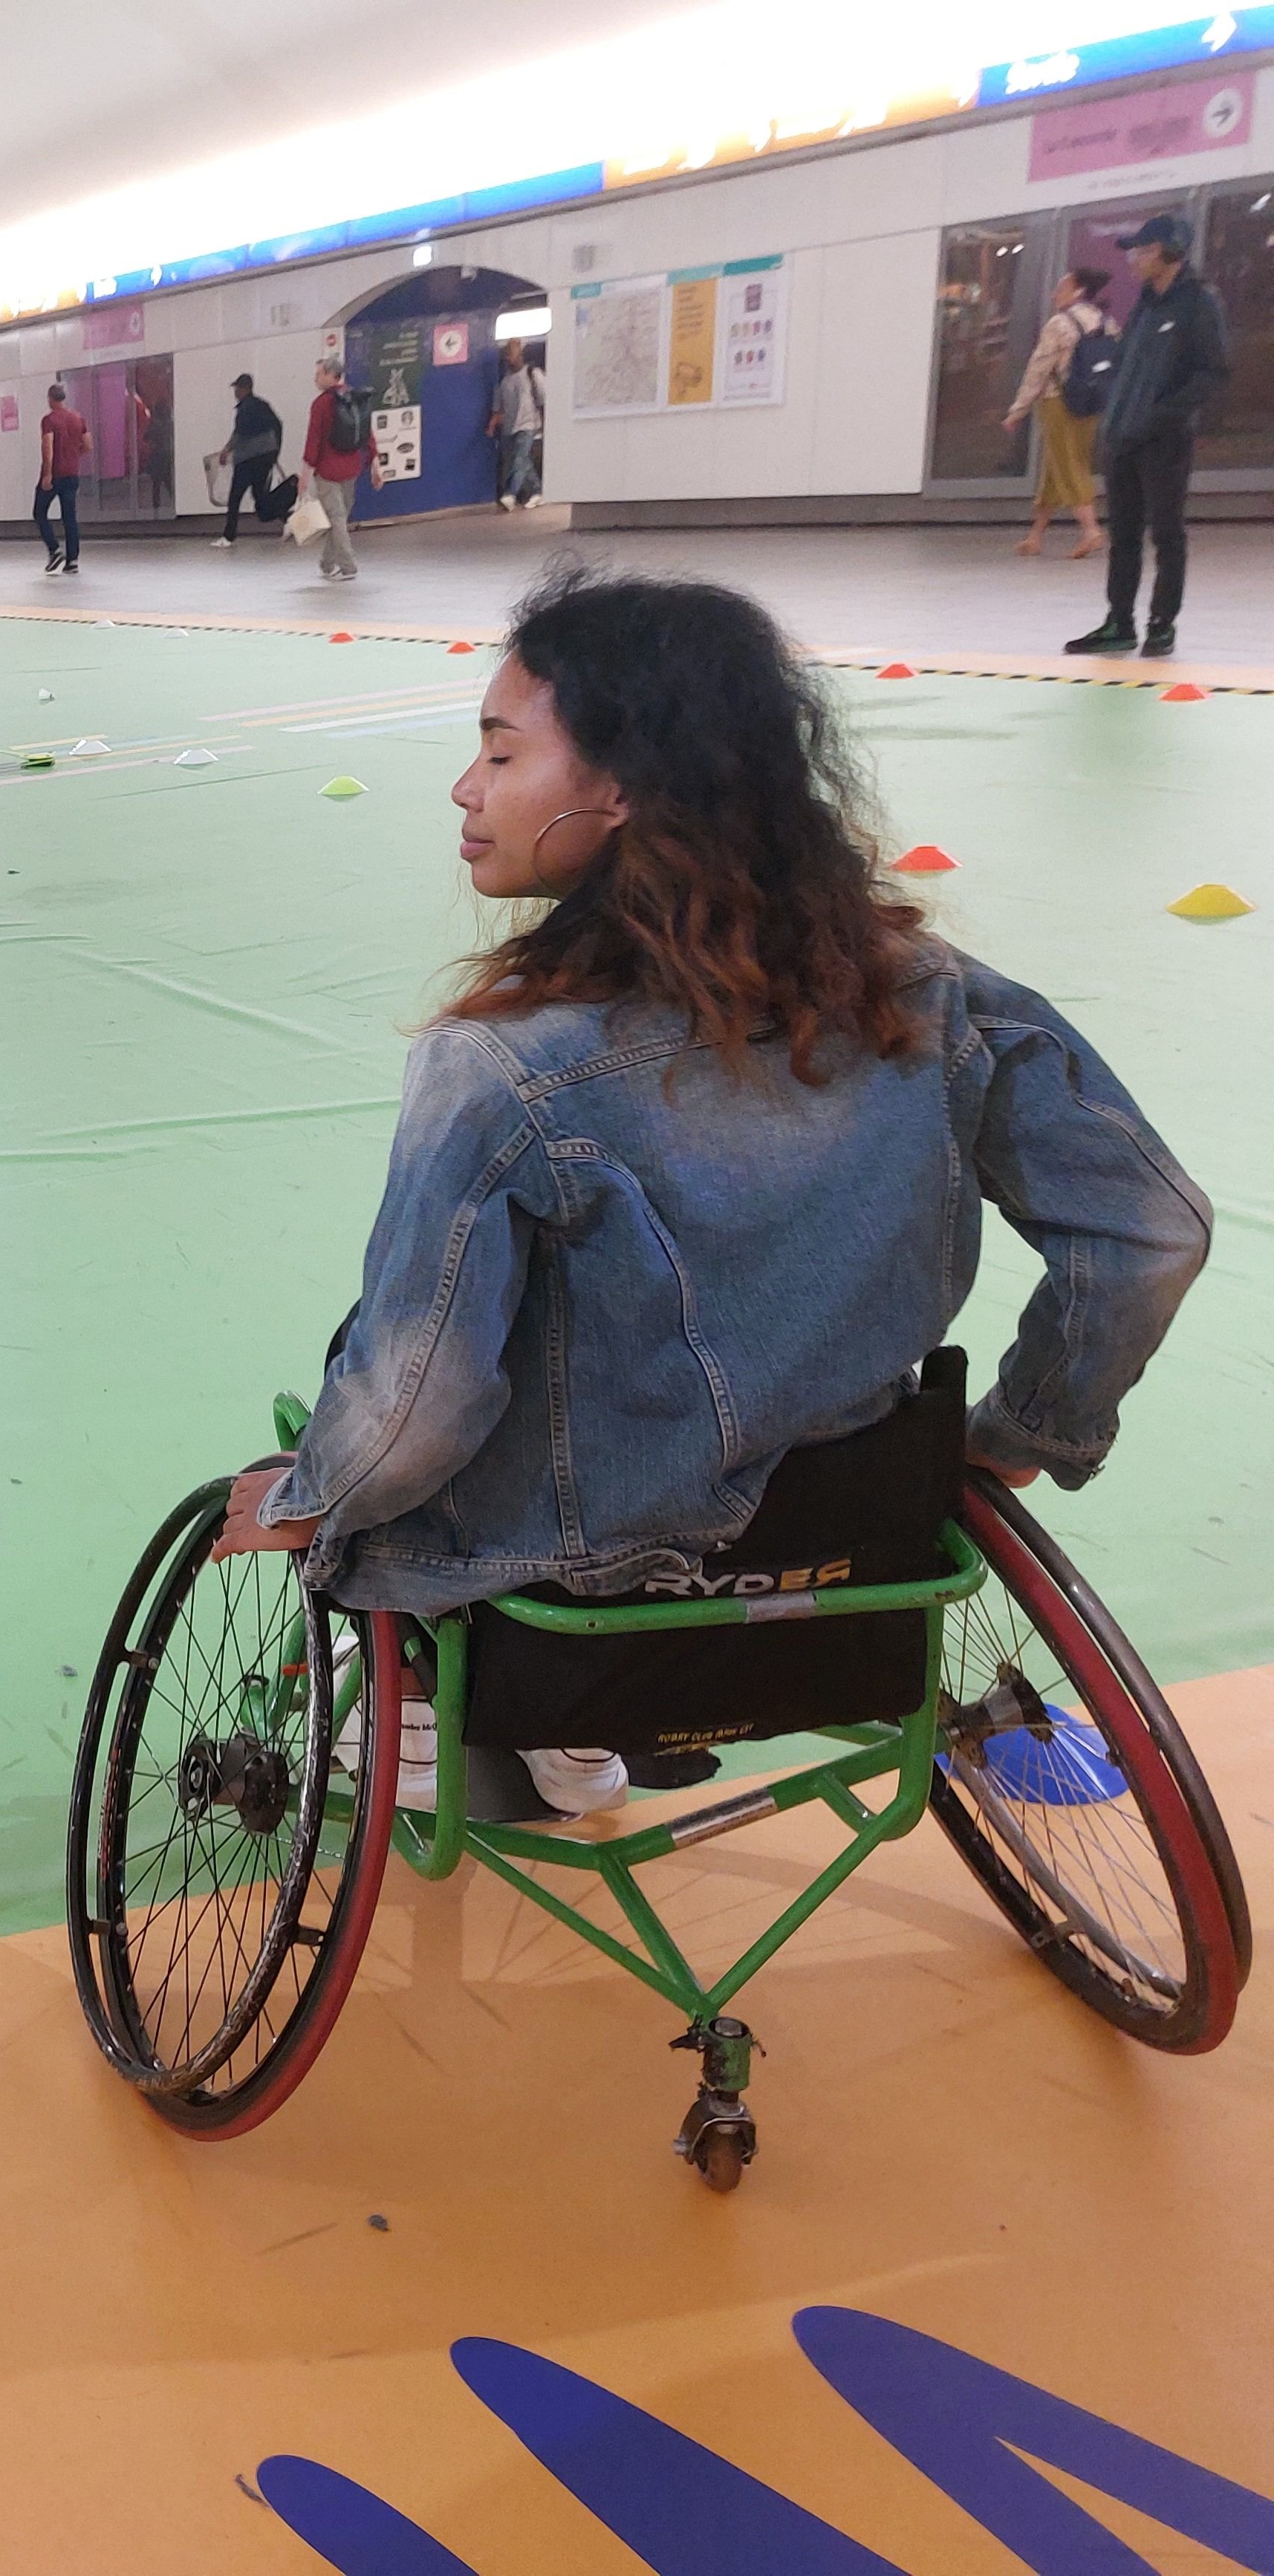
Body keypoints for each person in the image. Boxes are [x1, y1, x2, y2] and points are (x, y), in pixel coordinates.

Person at [208, 568, 1208, 1817]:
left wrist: (309, 1496)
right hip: (852, 1550)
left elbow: (416, 1414)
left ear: (617, 792)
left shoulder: (499, 1066)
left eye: (498, 751)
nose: (464, 789)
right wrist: (1019, 1437)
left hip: (571, 1574)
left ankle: (438, 1714)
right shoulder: (924, 991)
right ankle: (576, 1738)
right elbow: (1149, 1229)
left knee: (380, 1374)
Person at [1069, 213, 1230, 659]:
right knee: (1123, 535)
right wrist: (1115, 417)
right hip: (1123, 439)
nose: (1133, 259)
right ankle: (1119, 622)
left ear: (1162, 251)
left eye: (1140, 250)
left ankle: (1162, 625)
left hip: (1165, 441)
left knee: (1167, 534)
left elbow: (1212, 373)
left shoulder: (1198, 304)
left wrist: (1162, 416)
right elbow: (1127, 366)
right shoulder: (1145, 303)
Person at [1003, 270, 1113, 561]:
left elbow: (1038, 369)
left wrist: (1018, 410)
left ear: (1078, 291)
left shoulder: (1059, 324)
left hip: (1058, 402)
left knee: (1069, 464)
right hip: (1092, 402)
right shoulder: (1106, 321)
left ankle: (1091, 531)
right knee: (1057, 467)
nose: (1055, 294)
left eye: (1061, 287)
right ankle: (1035, 536)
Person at [302, 356, 377, 582]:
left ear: (330, 375)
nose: (315, 378)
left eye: (318, 374)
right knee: (340, 518)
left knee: (336, 518)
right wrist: (375, 463)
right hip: (352, 467)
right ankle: (327, 564)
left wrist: (305, 475)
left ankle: (348, 567)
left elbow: (313, 441)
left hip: (327, 471)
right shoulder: (354, 398)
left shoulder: (321, 404)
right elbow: (367, 434)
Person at [210, 373, 287, 546]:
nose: (235, 392)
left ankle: (228, 537)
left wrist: (226, 450)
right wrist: (274, 452)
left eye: (237, 388)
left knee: (235, 497)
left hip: (248, 460)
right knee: (260, 498)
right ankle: (288, 521)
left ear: (245, 389)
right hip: (265, 458)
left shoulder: (245, 409)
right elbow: (278, 425)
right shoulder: (263, 406)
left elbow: (240, 434)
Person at [34, 381, 89, 573]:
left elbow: (48, 447)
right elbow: (88, 445)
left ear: (50, 399)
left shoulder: (49, 421)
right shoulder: (78, 418)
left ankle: (54, 549)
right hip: (72, 474)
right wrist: (72, 455)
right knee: (70, 518)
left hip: (55, 474)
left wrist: (47, 474)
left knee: (39, 512)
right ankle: (72, 561)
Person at [489, 341, 545, 511]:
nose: (508, 358)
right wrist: (493, 425)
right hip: (510, 427)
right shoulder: (504, 381)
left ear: (520, 353)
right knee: (522, 460)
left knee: (519, 458)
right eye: (506, 354)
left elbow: (544, 399)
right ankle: (538, 491)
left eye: (511, 353)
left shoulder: (532, 373)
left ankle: (510, 494)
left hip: (529, 424)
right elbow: (498, 408)